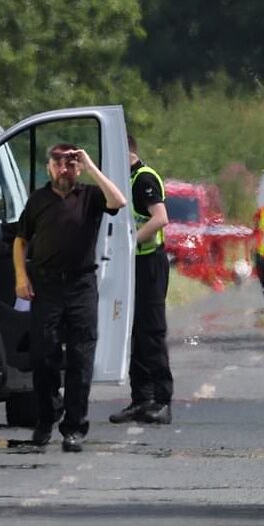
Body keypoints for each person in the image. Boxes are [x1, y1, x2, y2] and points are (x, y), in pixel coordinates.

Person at [14, 143, 126, 452]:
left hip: (80, 286)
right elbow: (20, 240)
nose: (64, 169)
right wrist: (21, 277)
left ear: (77, 168)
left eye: (70, 164)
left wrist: (91, 166)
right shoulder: (38, 199)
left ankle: (74, 427)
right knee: (43, 355)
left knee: (81, 356)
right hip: (46, 286)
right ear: (49, 167)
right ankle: (46, 418)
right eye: (58, 164)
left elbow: (119, 201)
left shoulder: (90, 196)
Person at [110, 134, 174, 425]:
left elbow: (159, 218)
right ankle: (141, 399)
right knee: (133, 332)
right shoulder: (124, 179)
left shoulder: (143, 179)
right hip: (133, 263)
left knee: (152, 331)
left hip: (149, 262)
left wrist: (129, 242)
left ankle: (162, 401)